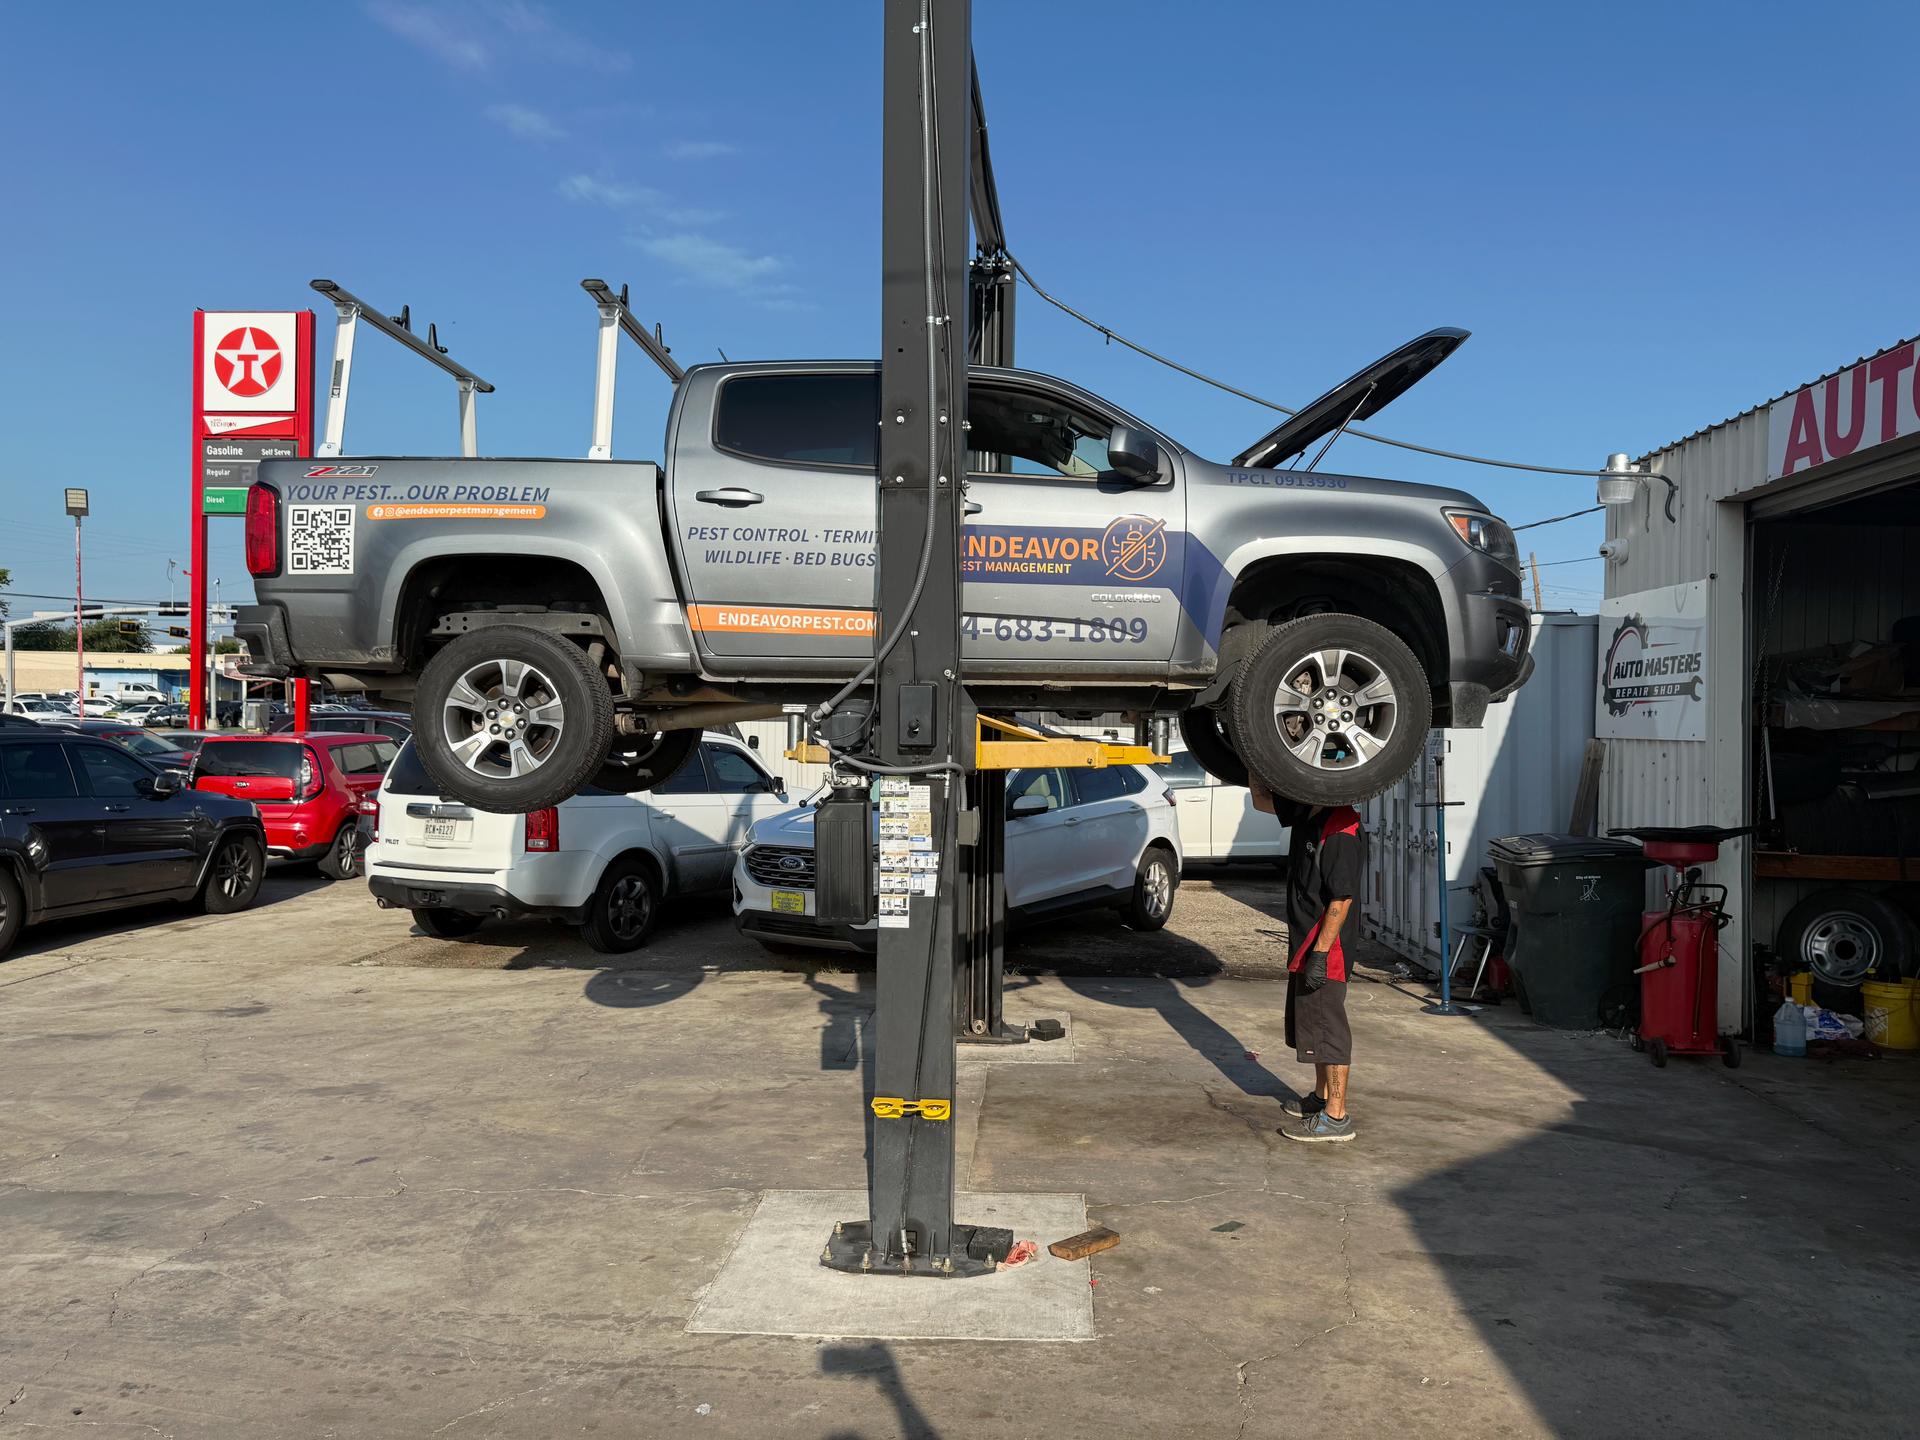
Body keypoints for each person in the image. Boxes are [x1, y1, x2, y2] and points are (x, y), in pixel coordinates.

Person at [1250, 775, 1366, 1143]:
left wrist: (1319, 954)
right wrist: (1253, 755)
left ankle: (1336, 1116)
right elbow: (1260, 799)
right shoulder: (1308, 811)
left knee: (1330, 1031)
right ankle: (1320, 1098)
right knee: (1313, 1028)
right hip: (1306, 945)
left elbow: (1341, 898)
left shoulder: (1340, 824)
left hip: (1326, 951)